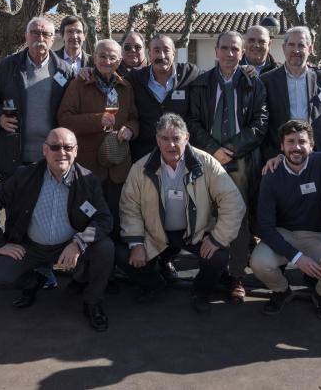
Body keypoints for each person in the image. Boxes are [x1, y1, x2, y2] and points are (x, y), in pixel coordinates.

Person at [0, 128, 114, 331]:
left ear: (76, 151)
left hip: (68, 246)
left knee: (105, 248)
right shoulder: (24, 175)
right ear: (44, 150)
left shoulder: (88, 181)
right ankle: (34, 280)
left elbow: (104, 219)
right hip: (31, 247)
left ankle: (92, 302)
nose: (62, 152)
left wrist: (79, 243)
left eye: (68, 147)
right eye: (55, 147)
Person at [117, 113, 244, 313]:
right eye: (165, 139)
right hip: (156, 234)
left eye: (176, 138)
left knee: (219, 255)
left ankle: (200, 292)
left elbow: (233, 201)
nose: (171, 145)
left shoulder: (207, 163)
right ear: (157, 140)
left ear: (186, 138)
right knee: (124, 254)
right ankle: (153, 284)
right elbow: (129, 206)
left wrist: (218, 238)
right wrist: (137, 244)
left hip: (193, 233)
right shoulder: (140, 168)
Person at [188, 31, 267, 304]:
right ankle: (210, 272)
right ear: (216, 51)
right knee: (207, 216)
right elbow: (193, 123)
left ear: (242, 51)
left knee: (239, 218)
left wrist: (231, 150)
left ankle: (236, 276)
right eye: (225, 48)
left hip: (241, 160)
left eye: (235, 49)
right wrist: (213, 151)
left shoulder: (253, 83)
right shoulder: (200, 83)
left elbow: (260, 123)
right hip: (206, 159)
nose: (230, 54)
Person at [250, 119, 321, 321]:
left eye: (302, 142)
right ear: (282, 146)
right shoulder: (271, 173)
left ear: (311, 145)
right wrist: (297, 258)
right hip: (285, 234)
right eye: (290, 141)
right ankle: (282, 291)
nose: (296, 147)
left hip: (318, 235)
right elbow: (265, 226)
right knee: (259, 262)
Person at [57, 39, 139, 239]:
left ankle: (116, 265)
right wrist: (97, 121)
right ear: (94, 58)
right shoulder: (79, 84)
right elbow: (64, 120)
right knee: (88, 219)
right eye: (102, 56)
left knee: (117, 219)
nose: (107, 61)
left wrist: (129, 129)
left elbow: (134, 118)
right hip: (89, 168)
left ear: (119, 61)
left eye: (112, 57)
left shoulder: (125, 86)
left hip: (118, 166)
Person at [0, 16, 74, 180]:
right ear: (26, 36)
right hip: (13, 154)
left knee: (48, 203)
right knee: (16, 204)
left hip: (51, 155)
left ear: (53, 39)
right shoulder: (8, 65)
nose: (40, 38)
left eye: (45, 34)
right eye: (35, 32)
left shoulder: (64, 70)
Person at [260, 26, 321, 160]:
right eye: (291, 45)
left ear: (310, 48)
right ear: (284, 48)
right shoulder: (267, 80)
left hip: (316, 155)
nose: (296, 50)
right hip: (280, 157)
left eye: (301, 45)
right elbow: (263, 123)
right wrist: (271, 156)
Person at [126, 34, 201, 162]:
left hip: (180, 155)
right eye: (156, 51)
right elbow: (112, 78)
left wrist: (244, 68)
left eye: (166, 50)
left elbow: (215, 76)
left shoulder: (189, 73)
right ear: (149, 54)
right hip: (145, 156)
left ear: (174, 53)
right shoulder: (136, 78)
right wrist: (89, 71)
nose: (161, 56)